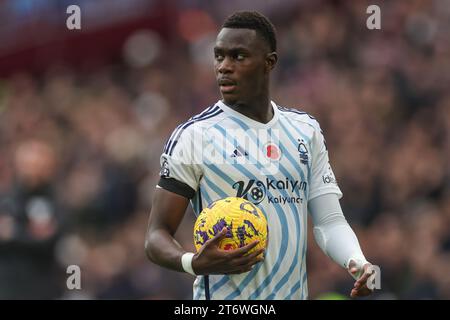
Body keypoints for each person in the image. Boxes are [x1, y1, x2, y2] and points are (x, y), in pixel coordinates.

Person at [145, 11, 376, 300]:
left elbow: (329, 221)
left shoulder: (305, 131)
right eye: (219, 57)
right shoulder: (195, 136)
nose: (224, 67)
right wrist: (193, 262)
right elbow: (156, 236)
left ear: (270, 63)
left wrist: (357, 261)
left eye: (238, 57)